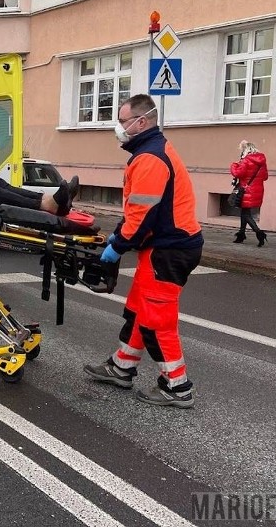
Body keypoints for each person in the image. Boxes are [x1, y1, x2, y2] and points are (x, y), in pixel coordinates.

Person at [83, 94, 204, 409]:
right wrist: (118, 235)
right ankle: (122, 366)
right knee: (139, 310)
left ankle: (177, 387)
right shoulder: (151, 151)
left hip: (169, 251)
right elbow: (140, 207)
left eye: (123, 122)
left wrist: (117, 247)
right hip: (163, 247)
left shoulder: (149, 157)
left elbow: (142, 216)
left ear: (142, 121)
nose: (120, 128)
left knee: (156, 321)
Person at [230, 140, 268, 247]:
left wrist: (233, 165)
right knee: (244, 212)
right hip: (257, 191)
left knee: (246, 215)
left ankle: (259, 234)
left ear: (246, 150)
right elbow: (265, 177)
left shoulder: (246, 161)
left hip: (246, 190)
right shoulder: (262, 162)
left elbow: (238, 173)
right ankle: (241, 235)